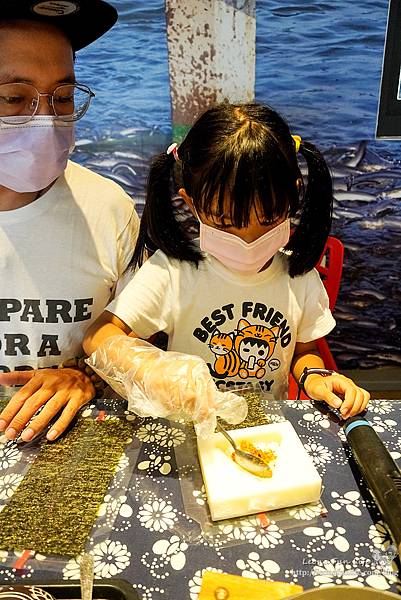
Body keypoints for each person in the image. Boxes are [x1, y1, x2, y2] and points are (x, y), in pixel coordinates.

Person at [83, 102, 369, 434]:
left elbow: (304, 349)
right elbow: (99, 334)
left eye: (268, 220)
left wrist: (314, 377)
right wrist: (146, 367)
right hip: (190, 427)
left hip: (264, 430)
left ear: (291, 198)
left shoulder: (298, 276)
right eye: (227, 223)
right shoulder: (174, 271)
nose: (248, 240)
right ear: (192, 204)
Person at [0, 0, 140, 443]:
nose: (46, 121)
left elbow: (142, 348)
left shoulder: (108, 210)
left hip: (75, 445)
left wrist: (87, 380)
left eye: (62, 99)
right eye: (14, 99)